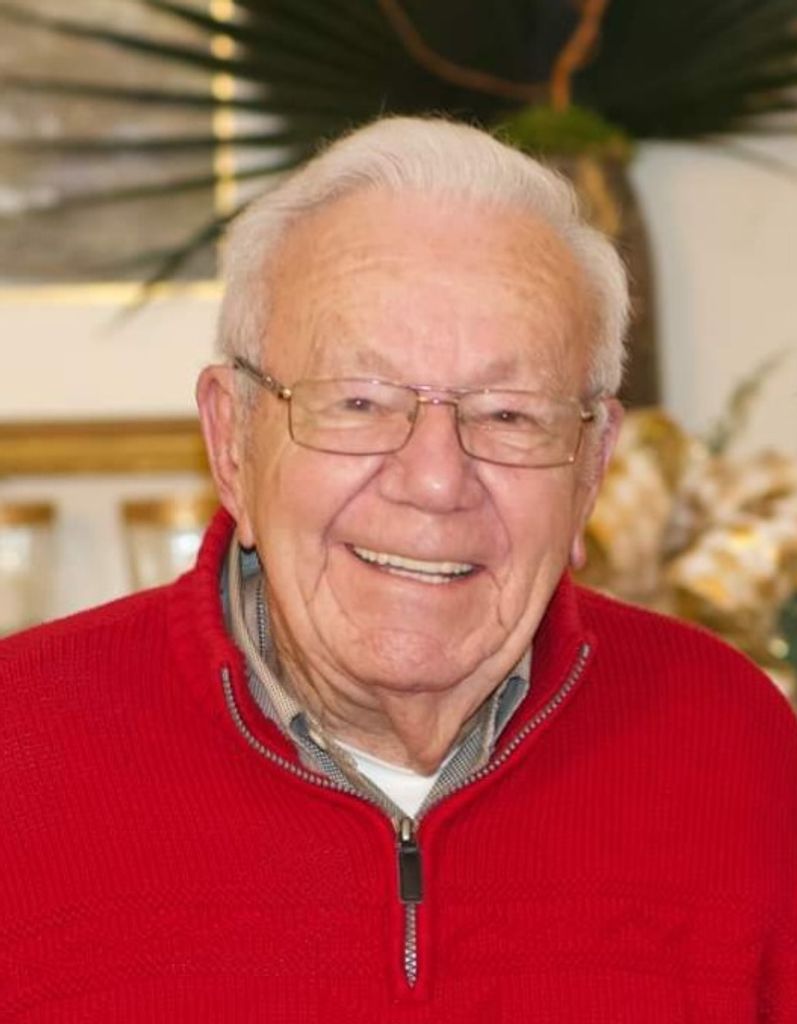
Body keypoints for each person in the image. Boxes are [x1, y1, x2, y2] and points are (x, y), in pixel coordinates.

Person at [1, 117, 795, 1022]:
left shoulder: (732, 750)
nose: (434, 481)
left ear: (591, 467)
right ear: (232, 440)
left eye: (508, 414)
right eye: (359, 402)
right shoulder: (18, 752)